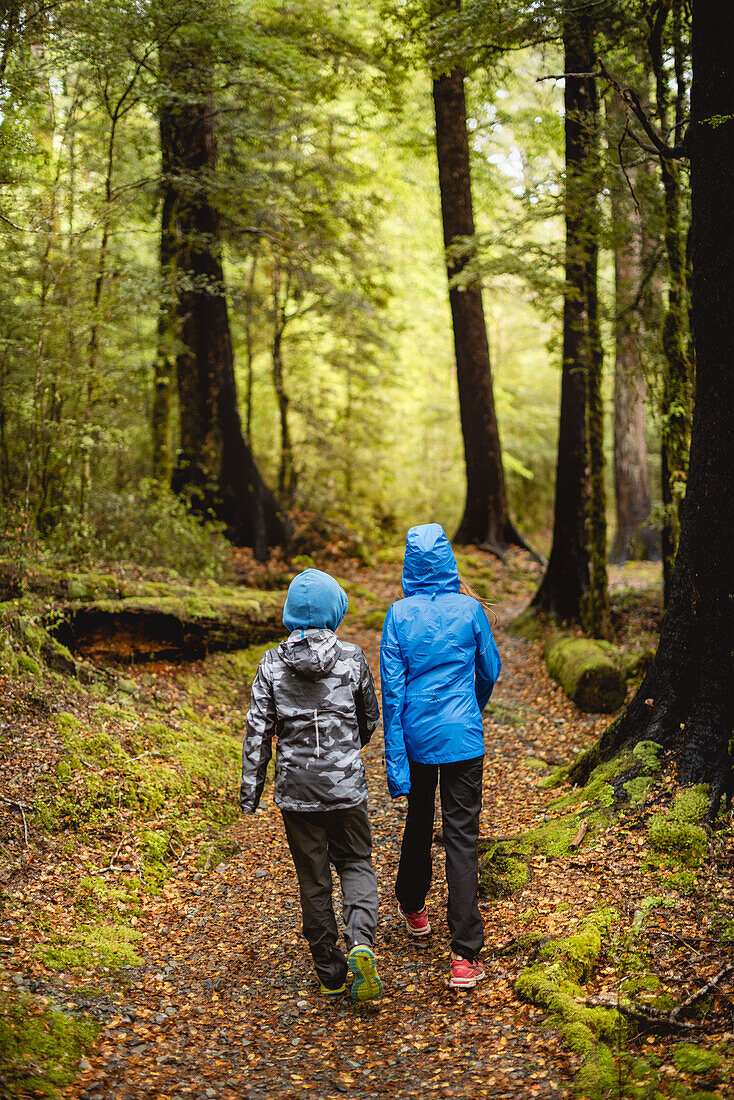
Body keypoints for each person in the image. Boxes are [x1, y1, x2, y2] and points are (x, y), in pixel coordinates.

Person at [239, 567, 383, 1001]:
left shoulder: (271, 663)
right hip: (346, 789)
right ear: (334, 611)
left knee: (313, 877)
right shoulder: (353, 658)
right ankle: (361, 940)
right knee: (356, 862)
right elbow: (370, 717)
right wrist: (346, 752)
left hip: (297, 791)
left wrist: (251, 793)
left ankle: (330, 972)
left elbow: (257, 731)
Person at [380, 523, 501, 990]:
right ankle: (464, 957)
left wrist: (395, 759)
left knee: (418, 815)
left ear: (410, 566)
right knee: (461, 836)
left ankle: (412, 906)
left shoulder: (398, 614)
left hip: (416, 734)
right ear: (449, 560)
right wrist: (470, 708)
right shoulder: (470, 610)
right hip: (462, 738)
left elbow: (392, 692)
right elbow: (489, 671)